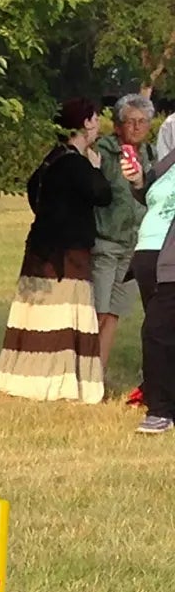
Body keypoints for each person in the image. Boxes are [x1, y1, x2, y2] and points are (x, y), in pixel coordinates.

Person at [0, 98, 111, 405]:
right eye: (94, 119)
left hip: (41, 247)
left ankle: (27, 375)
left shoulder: (50, 160)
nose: (97, 125)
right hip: (67, 254)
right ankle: (55, 378)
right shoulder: (75, 162)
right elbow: (101, 195)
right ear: (85, 123)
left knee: (37, 315)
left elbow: (33, 191)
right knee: (59, 316)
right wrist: (95, 169)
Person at [92, 93, 154, 374]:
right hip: (106, 242)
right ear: (118, 125)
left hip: (135, 246)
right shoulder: (104, 152)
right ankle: (85, 369)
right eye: (132, 121)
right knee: (99, 311)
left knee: (114, 314)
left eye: (143, 121)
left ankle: (99, 373)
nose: (138, 127)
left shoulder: (151, 155)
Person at [130, 132, 175, 434]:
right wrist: (136, 180)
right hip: (149, 256)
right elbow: (148, 192)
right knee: (164, 332)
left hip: (171, 259)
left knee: (156, 332)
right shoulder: (171, 158)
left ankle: (159, 410)